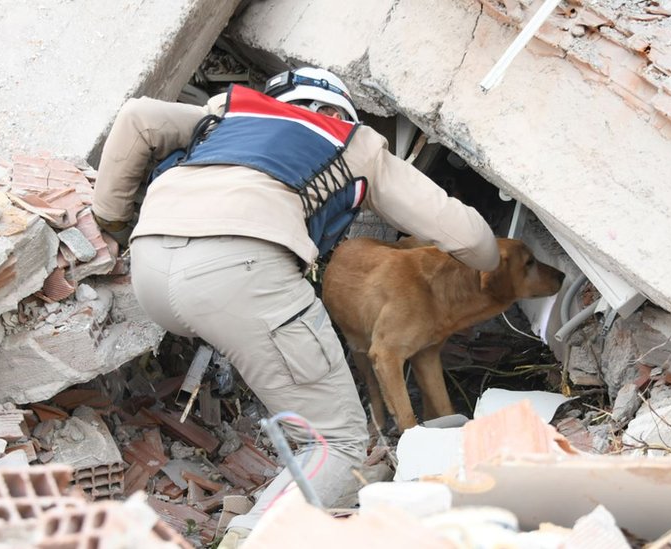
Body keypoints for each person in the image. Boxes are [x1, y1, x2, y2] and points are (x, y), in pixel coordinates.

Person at [91, 67, 499, 546]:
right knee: (340, 443)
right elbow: (468, 237)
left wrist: (112, 220)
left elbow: (138, 116)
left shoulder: (226, 111)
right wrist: (493, 261)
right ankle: (252, 538)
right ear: (336, 111)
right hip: (244, 270)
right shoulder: (354, 143)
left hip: (150, 268)